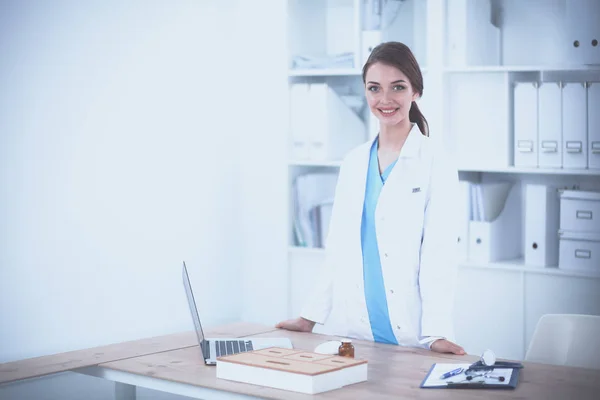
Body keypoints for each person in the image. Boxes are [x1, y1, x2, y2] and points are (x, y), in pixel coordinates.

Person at [276, 42, 465, 355]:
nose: (385, 99)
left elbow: (439, 255)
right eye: (374, 88)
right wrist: (309, 317)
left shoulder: (435, 161)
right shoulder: (353, 162)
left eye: (398, 87)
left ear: (416, 91)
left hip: (413, 331)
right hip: (355, 329)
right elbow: (337, 248)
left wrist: (436, 332)